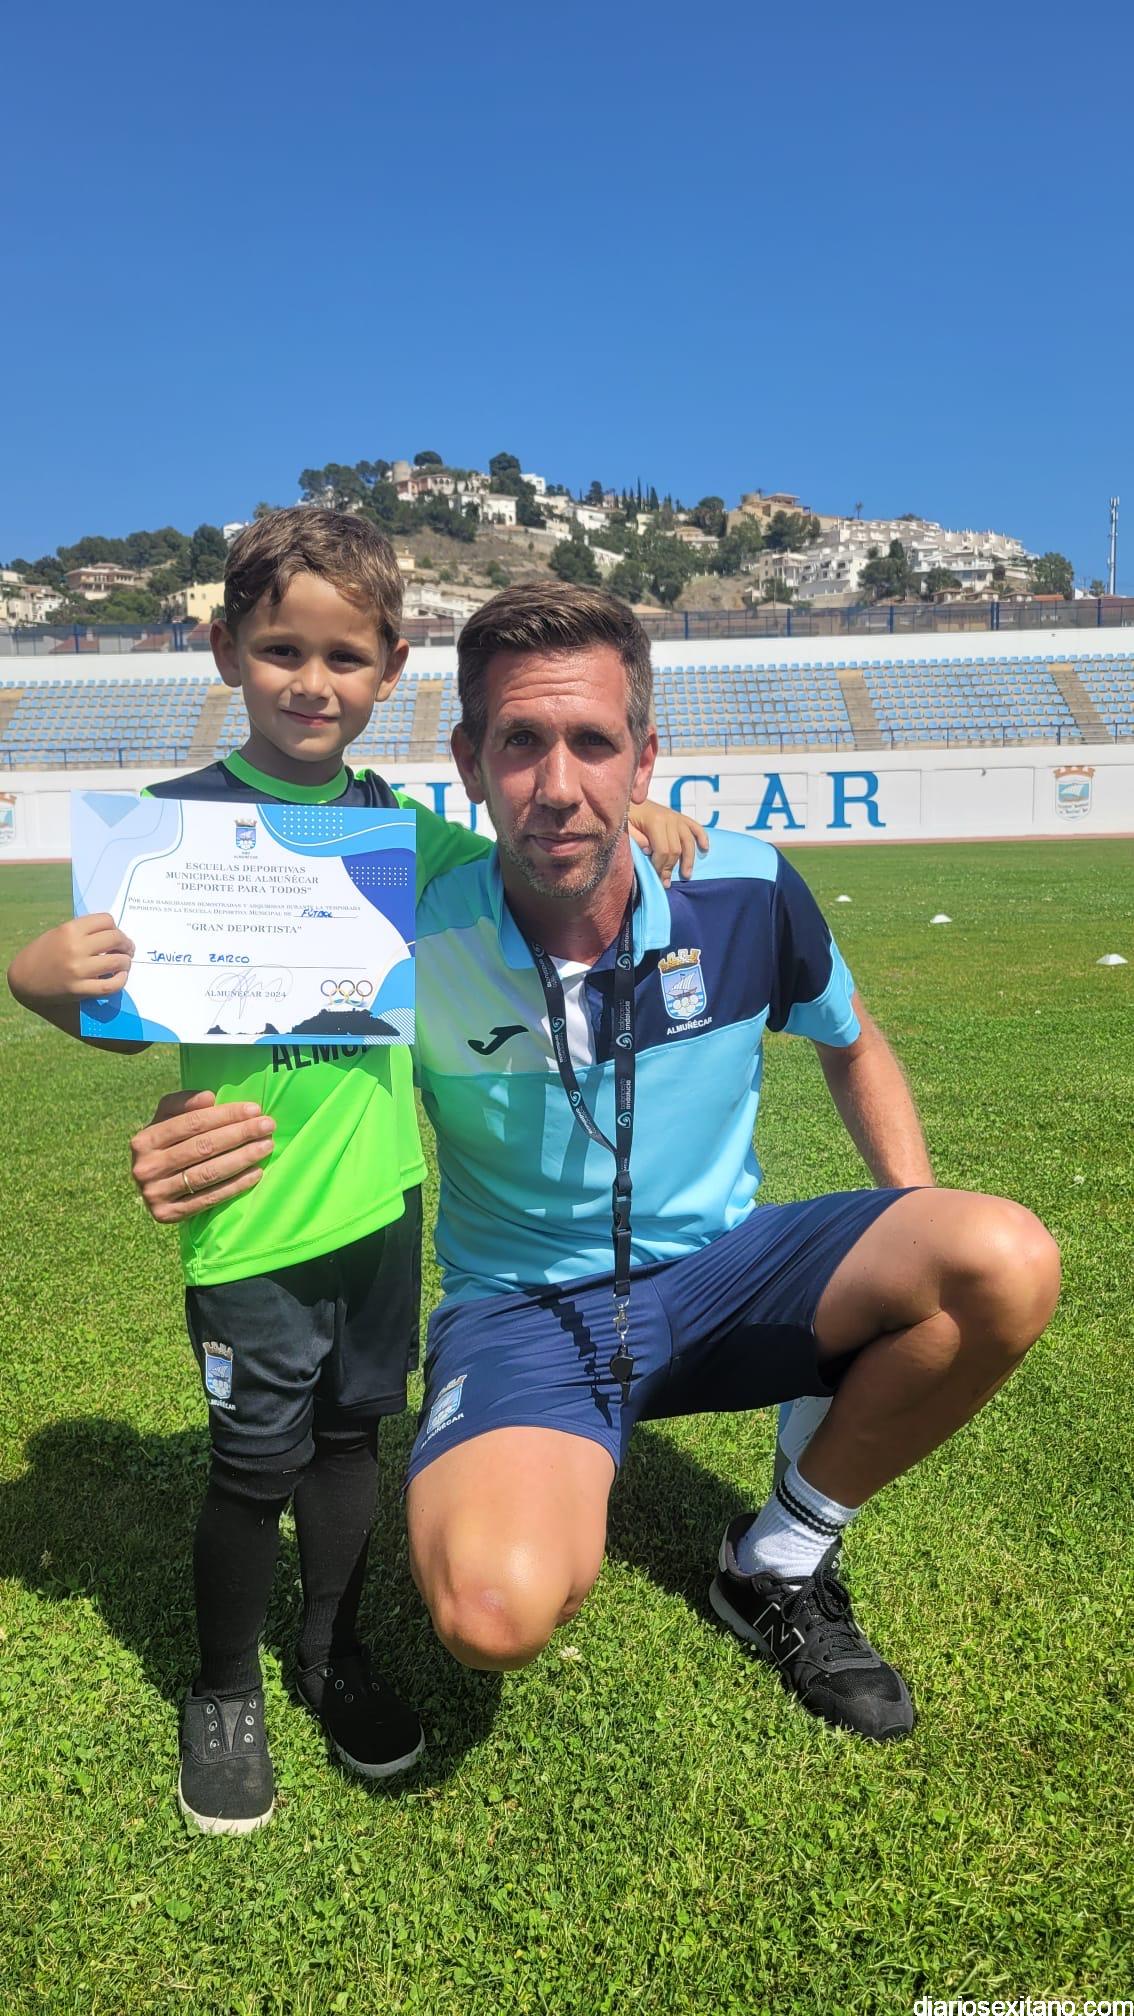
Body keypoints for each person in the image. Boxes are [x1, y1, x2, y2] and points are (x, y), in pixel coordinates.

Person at [126, 582, 1061, 1744]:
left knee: (999, 1257)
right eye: (521, 742)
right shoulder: (398, 926)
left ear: (645, 756)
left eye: (594, 743)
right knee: (490, 1612)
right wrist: (191, 1120)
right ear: (468, 763)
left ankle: (777, 1558)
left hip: (727, 1269)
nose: (559, 785)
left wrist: (907, 1223)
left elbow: (852, 1041)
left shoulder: (743, 888)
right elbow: (257, 1026)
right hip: (523, 1306)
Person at [7, 530, 703, 1834]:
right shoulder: (169, 829)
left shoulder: (398, 834)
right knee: (249, 1468)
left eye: (344, 656)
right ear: (226, 651)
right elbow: (106, 1011)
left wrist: (640, 824)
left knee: (349, 1445)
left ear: (390, 669)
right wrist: (37, 979)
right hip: (246, 1222)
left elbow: (521, 867)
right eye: (282, 649)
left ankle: (333, 1655)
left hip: (382, 1211)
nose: (312, 681)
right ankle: (225, 1689)